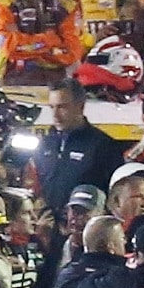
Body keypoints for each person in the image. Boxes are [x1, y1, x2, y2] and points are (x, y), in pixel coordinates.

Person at [35, 78, 124, 217]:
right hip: (48, 226)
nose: (55, 115)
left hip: (84, 227)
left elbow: (114, 196)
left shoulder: (102, 145)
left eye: (62, 107)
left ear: (80, 106)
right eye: (52, 107)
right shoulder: (46, 142)